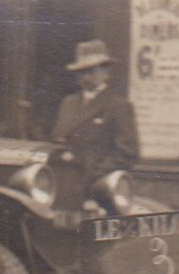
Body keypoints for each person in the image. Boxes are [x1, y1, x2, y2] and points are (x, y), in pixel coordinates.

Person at [51, 39, 141, 184]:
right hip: (64, 180)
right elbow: (58, 139)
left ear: (106, 72)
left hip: (97, 184)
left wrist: (94, 173)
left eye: (91, 71)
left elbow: (127, 153)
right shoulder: (69, 102)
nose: (85, 77)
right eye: (81, 72)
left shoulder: (118, 106)